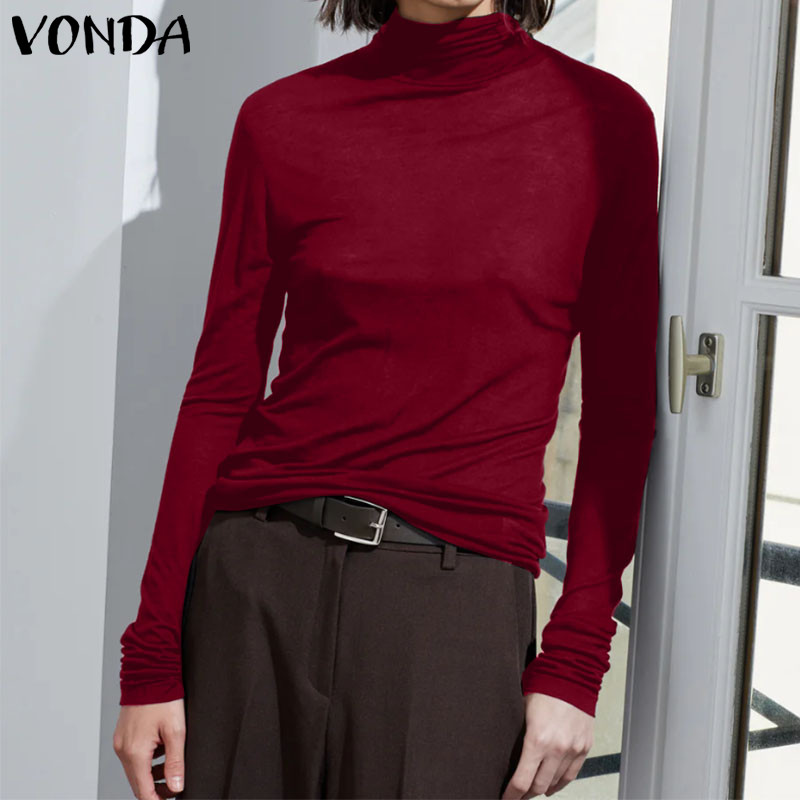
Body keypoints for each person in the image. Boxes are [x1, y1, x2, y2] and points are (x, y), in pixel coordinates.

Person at [113, 0, 660, 797]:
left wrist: (577, 658)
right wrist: (152, 655)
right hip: (257, 585)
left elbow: (620, 412)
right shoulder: (283, 119)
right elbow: (220, 392)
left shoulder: (604, 123)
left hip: (451, 607)